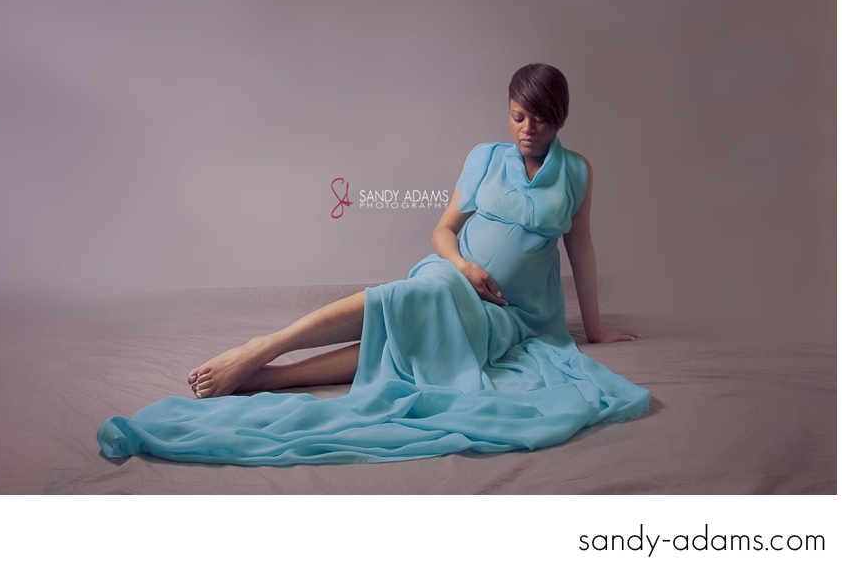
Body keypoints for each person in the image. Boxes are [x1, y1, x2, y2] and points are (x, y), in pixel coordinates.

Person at [97, 63, 651, 466]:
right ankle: (265, 346)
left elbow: (581, 248)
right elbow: (442, 230)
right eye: (518, 116)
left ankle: (271, 378)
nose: (528, 129)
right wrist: (463, 267)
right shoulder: (485, 158)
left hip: (512, 315)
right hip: (455, 275)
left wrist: (594, 329)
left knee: (417, 333)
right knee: (420, 296)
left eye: (541, 120)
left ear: (561, 120)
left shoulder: (577, 172)